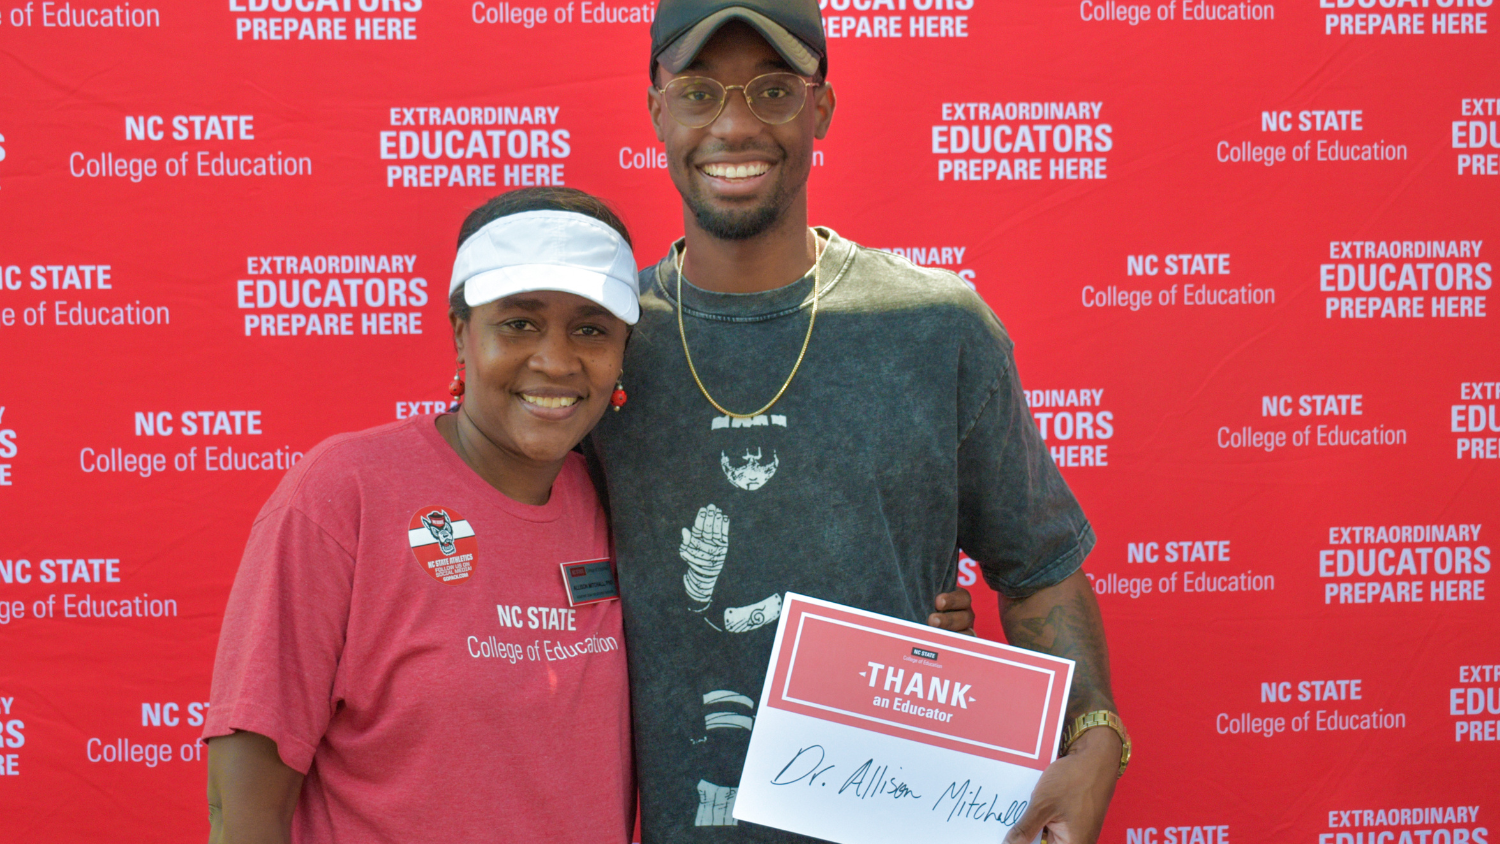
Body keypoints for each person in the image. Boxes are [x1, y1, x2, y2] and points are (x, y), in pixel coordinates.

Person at [583, 3, 1129, 843]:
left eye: (772, 91)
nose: (733, 124)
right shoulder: (605, 347)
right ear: (658, 111)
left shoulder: (935, 326)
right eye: (698, 93)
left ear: (821, 108)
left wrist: (1094, 739)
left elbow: (1041, 570)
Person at [201, 187, 643, 843]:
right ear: (461, 334)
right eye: (518, 323)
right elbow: (241, 812)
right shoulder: (344, 493)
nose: (555, 360)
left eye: (590, 329)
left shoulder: (622, 502)